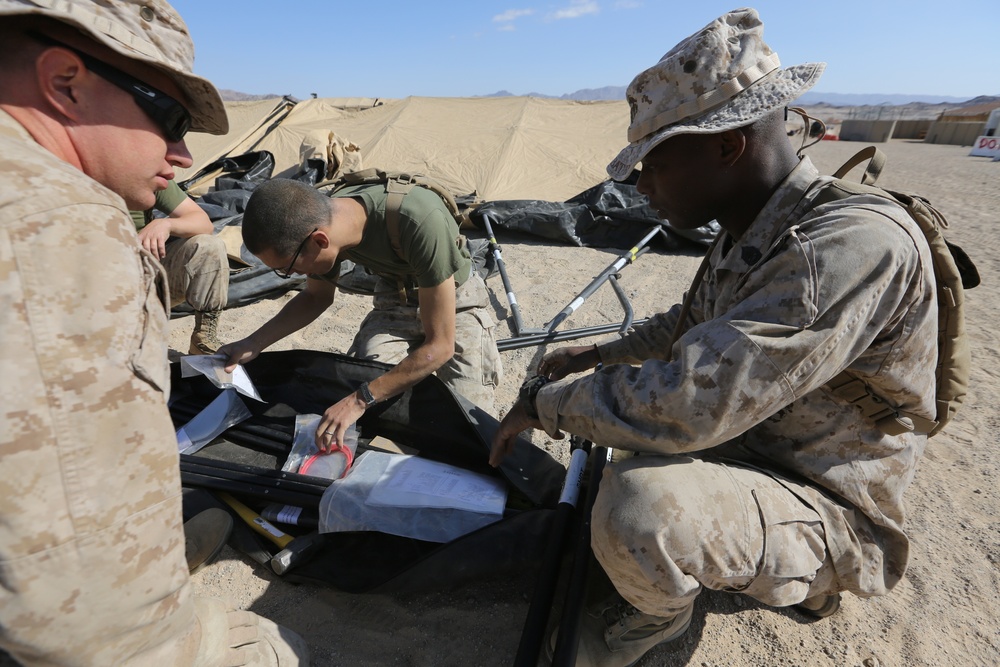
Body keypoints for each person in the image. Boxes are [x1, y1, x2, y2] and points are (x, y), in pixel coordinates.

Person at [490, 8, 937, 667]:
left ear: (728, 146)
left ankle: (692, 609)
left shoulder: (843, 249)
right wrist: (599, 353)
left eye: (654, 165)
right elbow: (695, 320)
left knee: (640, 507)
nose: (640, 188)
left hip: (822, 495)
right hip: (752, 444)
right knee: (619, 444)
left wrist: (543, 404)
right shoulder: (753, 225)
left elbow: (691, 403)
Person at [0, 1, 308, 665]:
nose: (183, 151)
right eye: (168, 116)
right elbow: (76, 613)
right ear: (65, 82)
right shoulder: (53, 222)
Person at [220, 178, 502, 449]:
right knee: (366, 384)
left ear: (319, 241)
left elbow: (439, 346)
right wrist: (252, 344)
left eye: (288, 267)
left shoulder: (418, 219)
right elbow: (315, 297)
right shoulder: (325, 223)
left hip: (455, 300)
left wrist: (359, 399)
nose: (289, 275)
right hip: (396, 297)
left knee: (472, 421)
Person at [131, 178, 230, 354]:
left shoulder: (148, 173)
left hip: (148, 278)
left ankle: (203, 338)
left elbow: (203, 223)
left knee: (208, 246)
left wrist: (166, 224)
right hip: (94, 290)